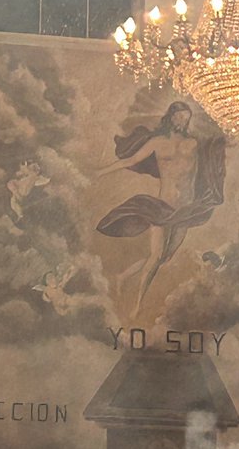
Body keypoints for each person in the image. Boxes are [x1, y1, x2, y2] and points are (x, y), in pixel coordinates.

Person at [96, 101, 225, 314]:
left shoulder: (193, 143)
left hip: (186, 209)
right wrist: (100, 172)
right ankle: (137, 306)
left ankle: (123, 276)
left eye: (187, 118)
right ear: (171, 117)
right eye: (180, 117)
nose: (183, 122)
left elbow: (211, 159)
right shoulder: (157, 142)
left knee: (166, 256)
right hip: (162, 207)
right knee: (156, 256)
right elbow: (130, 160)